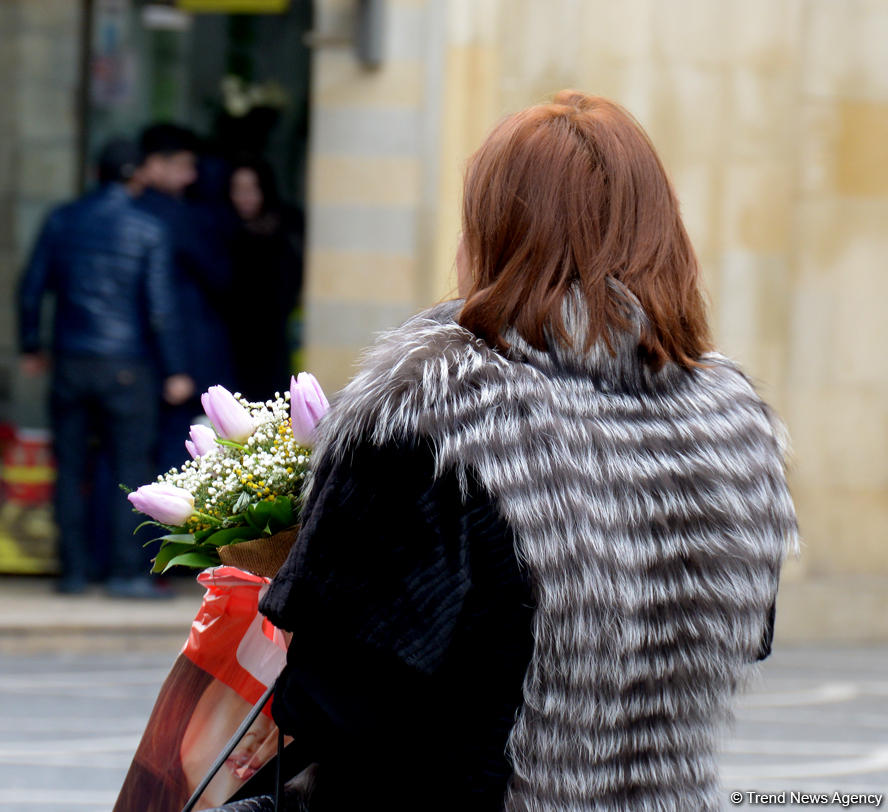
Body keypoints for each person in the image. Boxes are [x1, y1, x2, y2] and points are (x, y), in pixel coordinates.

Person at [219, 91, 798, 810]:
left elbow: (336, 700)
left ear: (493, 233)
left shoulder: (432, 415)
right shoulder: (734, 426)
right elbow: (739, 640)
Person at [17, 138, 193, 597]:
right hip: (127, 365)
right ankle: (125, 574)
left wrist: (32, 345)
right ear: (137, 175)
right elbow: (160, 308)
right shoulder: (148, 228)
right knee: (130, 468)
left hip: (71, 361)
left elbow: (31, 288)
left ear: (97, 171)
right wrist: (175, 368)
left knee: (70, 467)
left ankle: (73, 573)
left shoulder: (62, 219)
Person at [135, 123, 235, 473]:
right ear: (154, 164)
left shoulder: (134, 212)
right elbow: (220, 277)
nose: (191, 177)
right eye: (183, 166)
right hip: (185, 356)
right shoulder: (178, 217)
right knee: (177, 459)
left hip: (134, 361)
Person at [227, 156, 303, 401]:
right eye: (238, 190)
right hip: (235, 341)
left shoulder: (286, 227)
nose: (245, 198)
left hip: (275, 336)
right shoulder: (222, 230)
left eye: (252, 190)